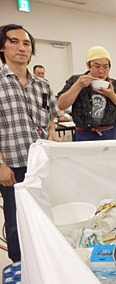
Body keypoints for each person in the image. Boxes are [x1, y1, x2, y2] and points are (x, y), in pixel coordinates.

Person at [0, 24, 61, 262]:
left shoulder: (42, 85)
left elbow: (51, 116)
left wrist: (53, 132)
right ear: (2, 47)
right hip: (12, 165)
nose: (21, 48)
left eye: (26, 43)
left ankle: (46, 259)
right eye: (14, 41)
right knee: (15, 219)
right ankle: (20, 264)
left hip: (42, 162)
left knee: (45, 213)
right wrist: (1, 164)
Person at [57, 46, 116, 141]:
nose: (101, 71)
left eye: (106, 67)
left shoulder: (114, 84)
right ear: (88, 65)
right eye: (97, 66)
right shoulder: (76, 80)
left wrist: (112, 95)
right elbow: (61, 105)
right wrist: (78, 86)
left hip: (110, 134)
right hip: (83, 134)